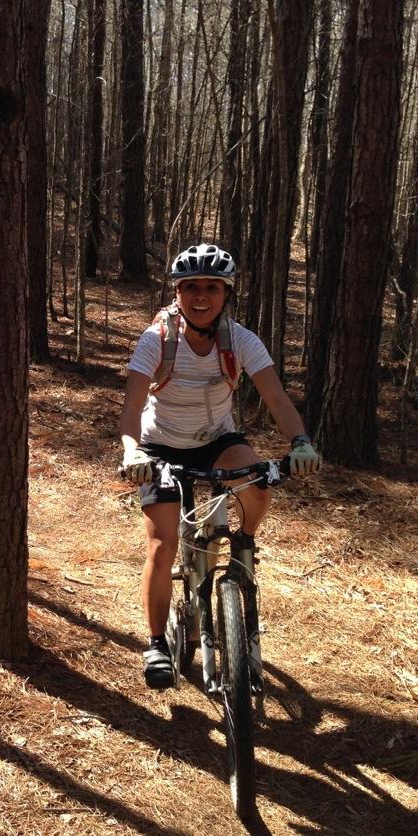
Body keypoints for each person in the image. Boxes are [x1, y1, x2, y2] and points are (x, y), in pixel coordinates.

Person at [118, 243, 322, 689]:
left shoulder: (241, 340)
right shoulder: (157, 339)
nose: (201, 296)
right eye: (191, 287)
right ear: (178, 292)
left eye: (212, 287)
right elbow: (133, 402)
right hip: (161, 447)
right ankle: (156, 642)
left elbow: (276, 397)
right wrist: (133, 451)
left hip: (216, 442)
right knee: (162, 544)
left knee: (258, 482)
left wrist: (301, 442)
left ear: (226, 293)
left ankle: (243, 542)